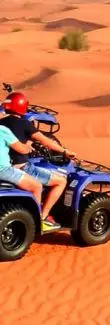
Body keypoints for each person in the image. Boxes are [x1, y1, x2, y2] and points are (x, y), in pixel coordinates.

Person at [1, 92, 74, 232]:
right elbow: (45, 141)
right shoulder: (24, 123)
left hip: (9, 166)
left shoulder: (2, 123)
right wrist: (64, 151)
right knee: (61, 181)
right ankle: (42, 218)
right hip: (21, 167)